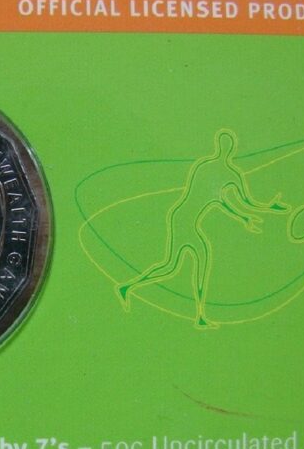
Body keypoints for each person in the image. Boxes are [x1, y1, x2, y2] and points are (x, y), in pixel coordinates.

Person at [116, 129, 290, 328]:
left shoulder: (214, 169)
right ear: (226, 148)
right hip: (183, 220)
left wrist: (246, 217)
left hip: (182, 217)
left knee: (175, 265)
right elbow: (236, 201)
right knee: (177, 265)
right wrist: (266, 209)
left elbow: (220, 201)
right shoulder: (223, 172)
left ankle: (131, 289)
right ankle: (194, 314)